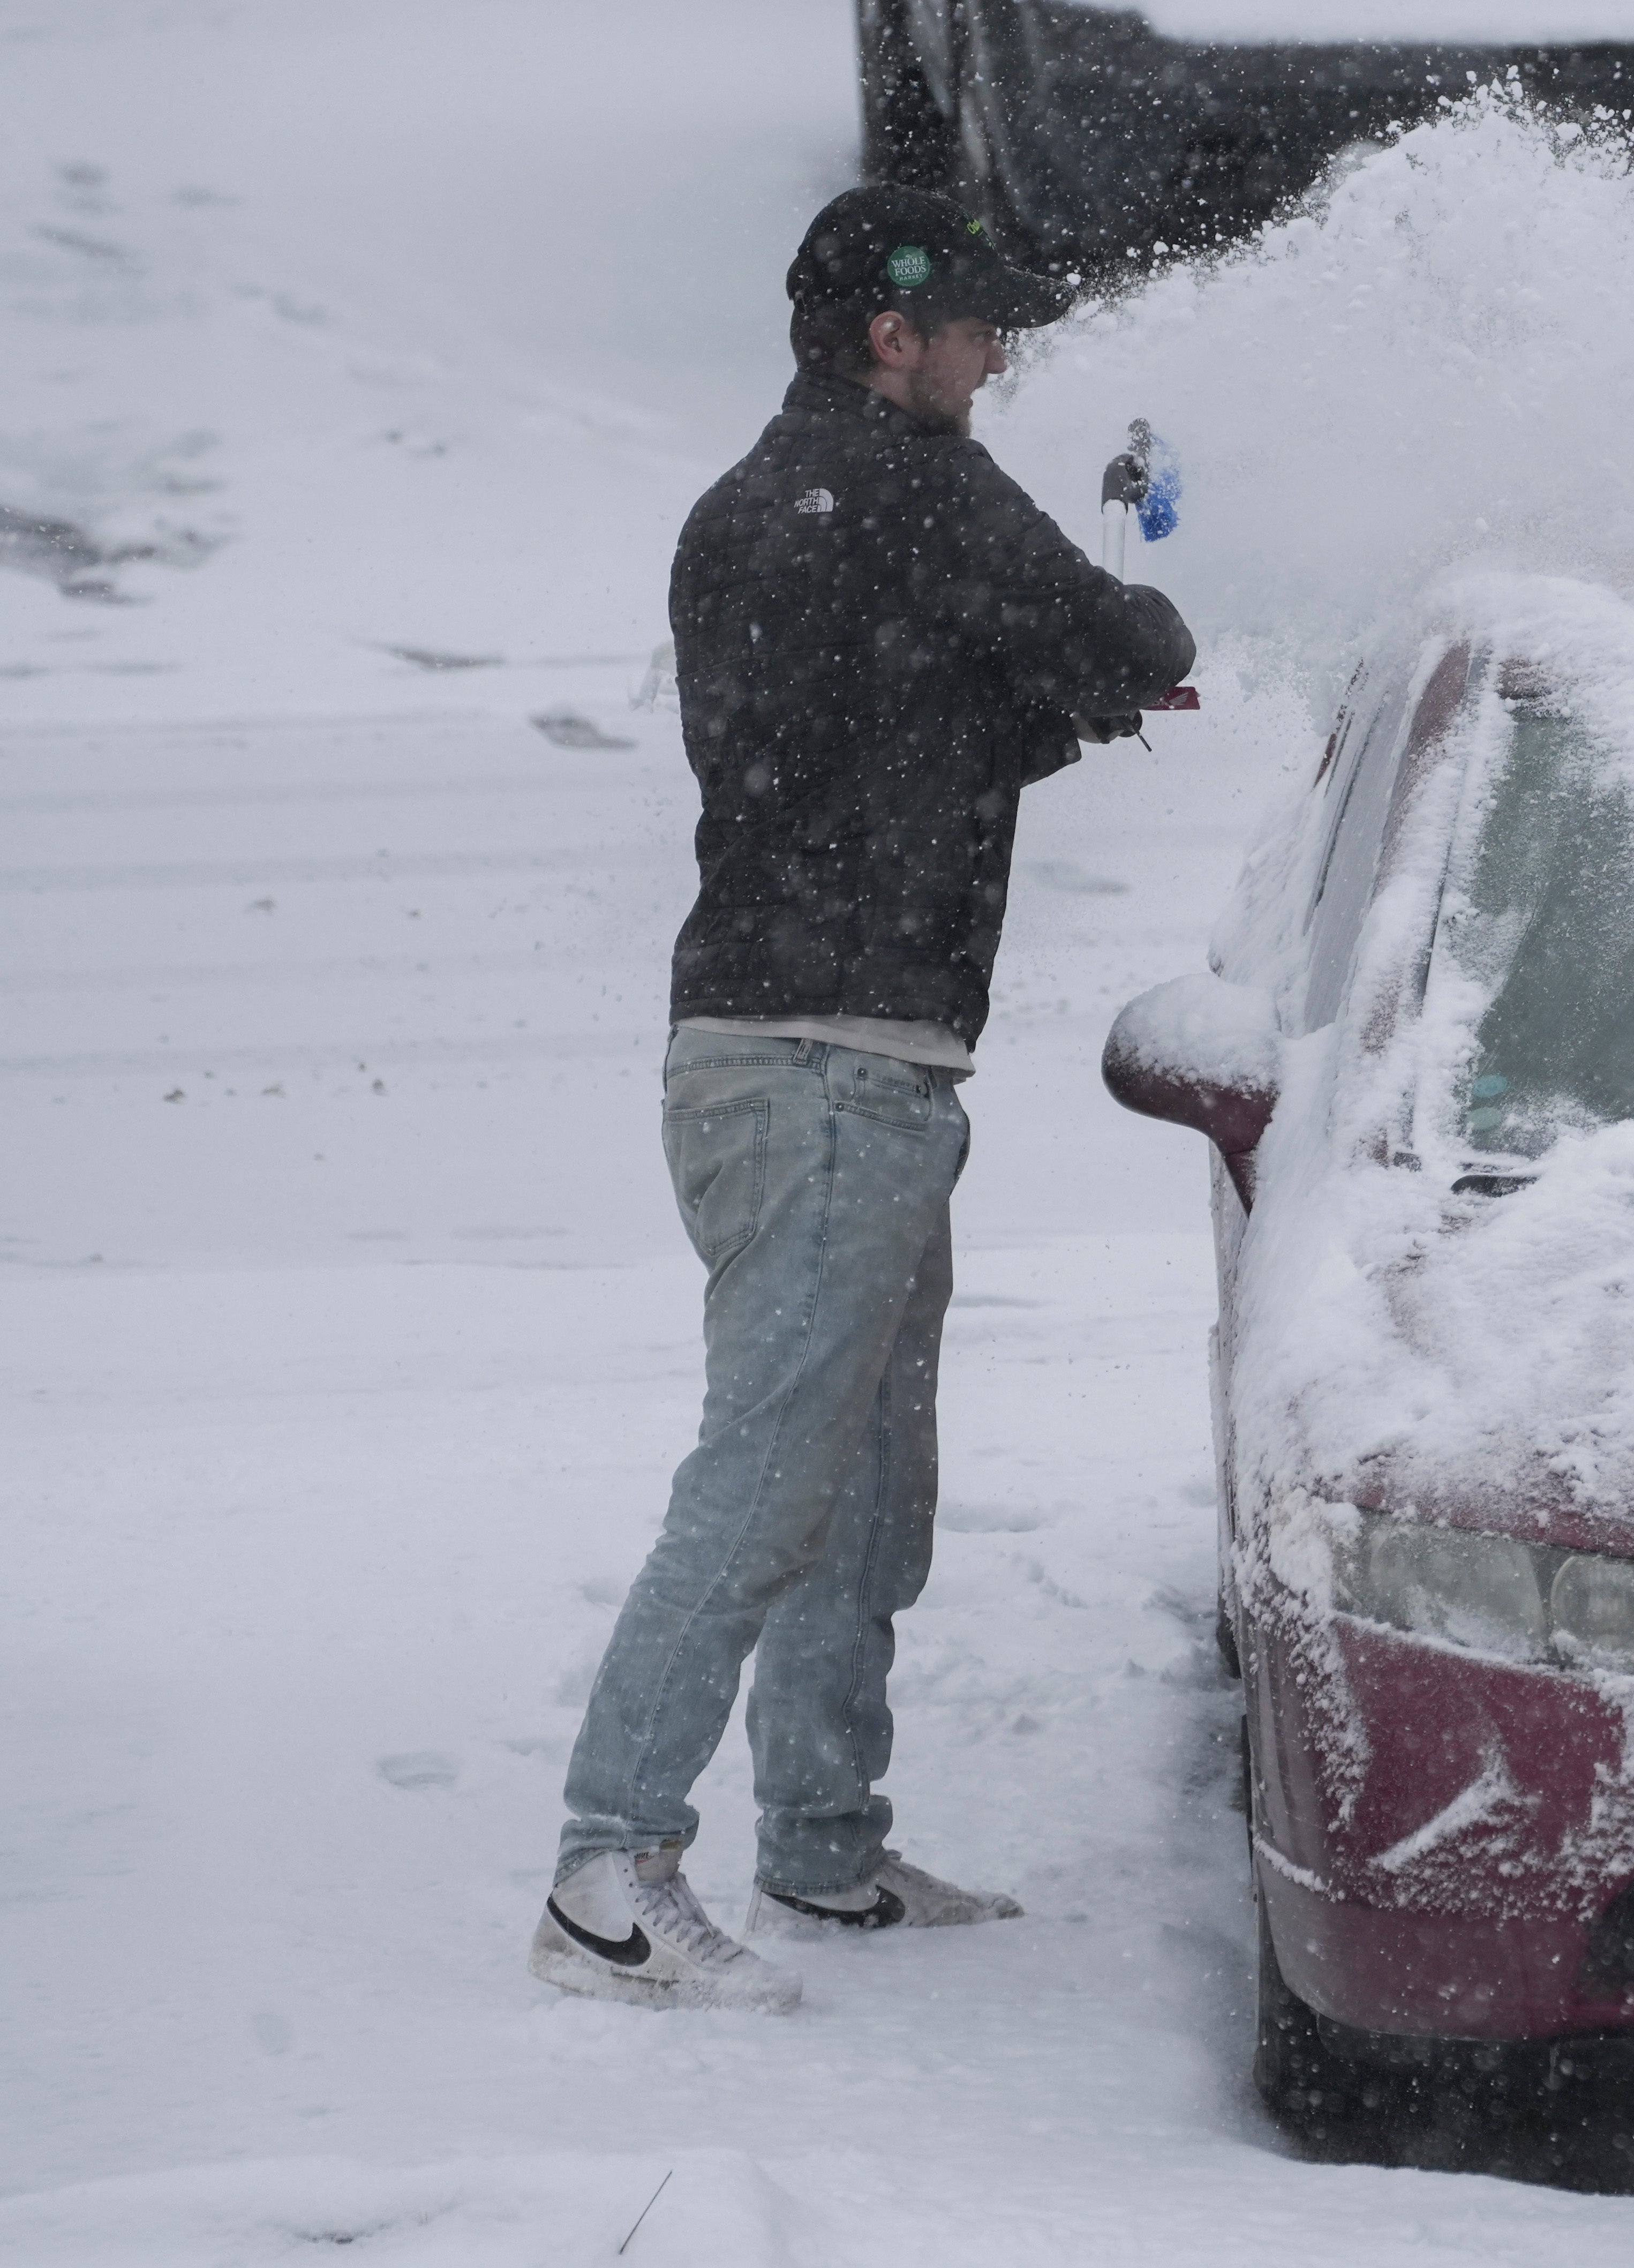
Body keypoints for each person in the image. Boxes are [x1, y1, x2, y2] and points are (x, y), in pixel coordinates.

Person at [529, 186, 1195, 2011]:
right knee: (762, 1482)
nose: (1002, 358)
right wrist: (1144, 628)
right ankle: (609, 1863)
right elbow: (1109, 631)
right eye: (982, 328)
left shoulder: (767, 510)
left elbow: (905, 741)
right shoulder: (906, 485)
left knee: (864, 1483)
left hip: (831, 1058)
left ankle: (823, 1847)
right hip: (819, 1069)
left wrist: (1080, 696)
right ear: (894, 336)